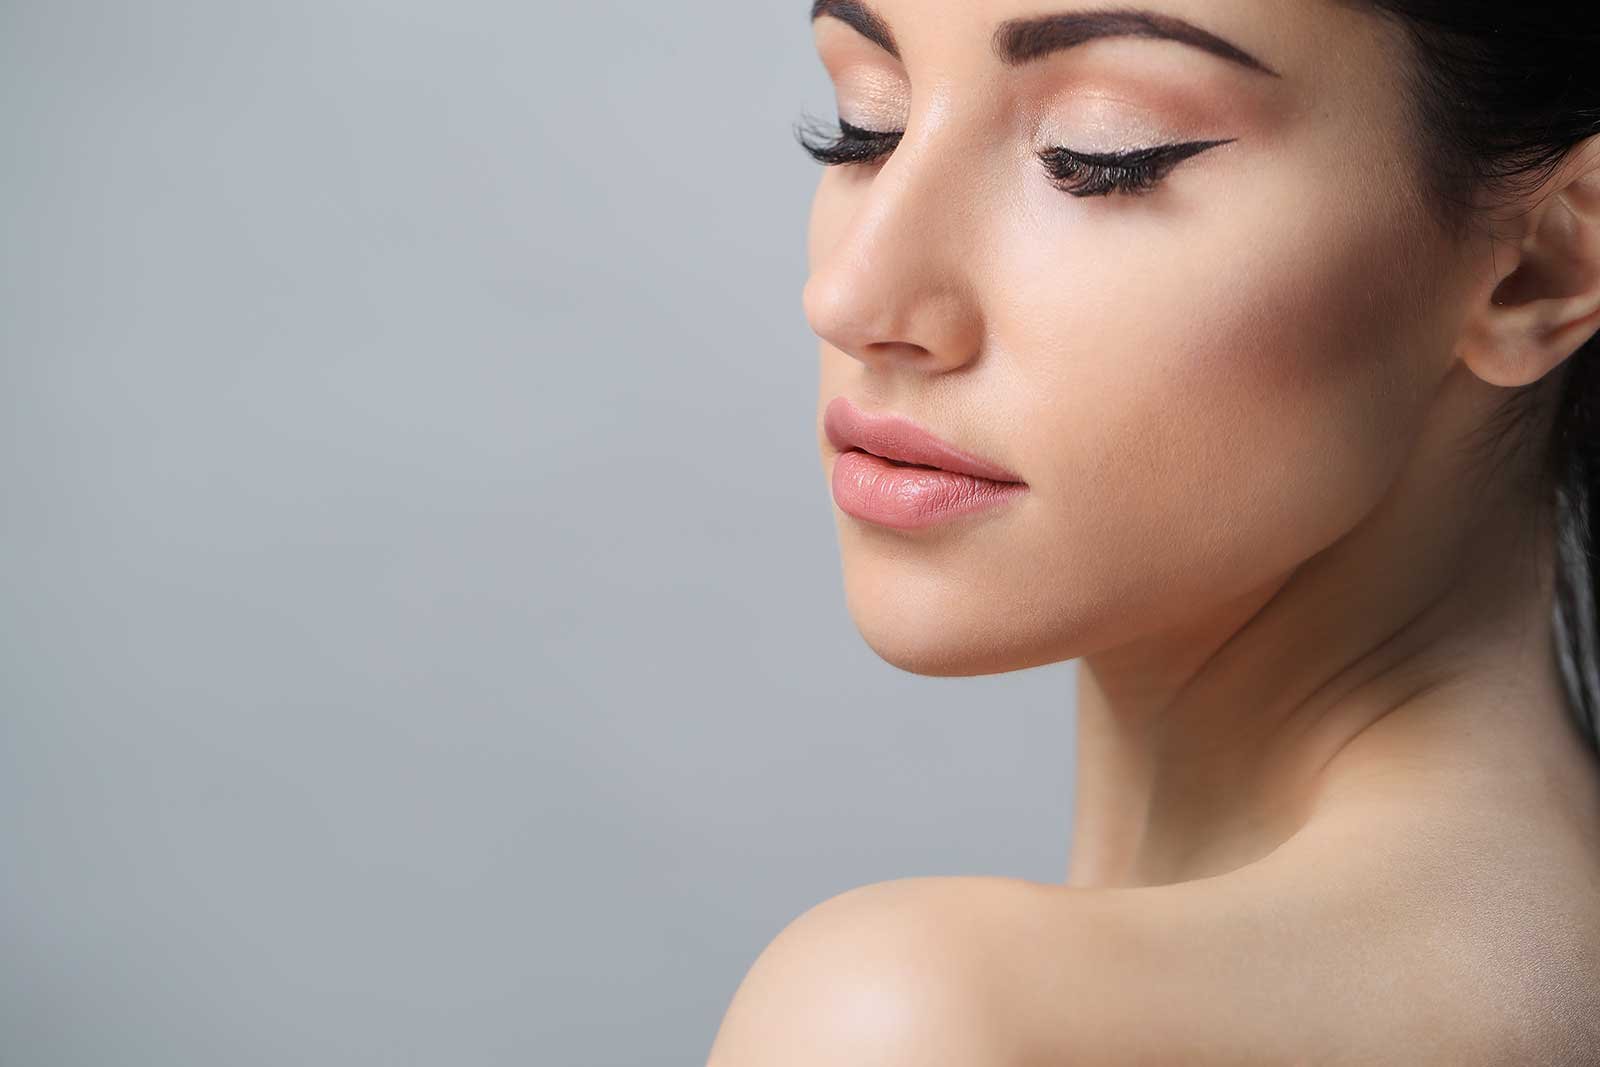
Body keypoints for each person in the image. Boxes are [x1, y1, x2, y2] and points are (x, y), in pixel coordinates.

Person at [707, 2, 1600, 1063]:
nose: (852, 294)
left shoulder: (928, 1018)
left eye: (1098, 155)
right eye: (867, 124)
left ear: (1543, 264)